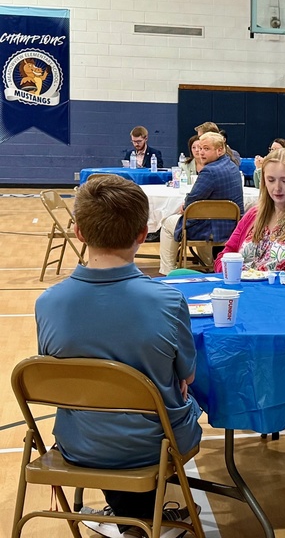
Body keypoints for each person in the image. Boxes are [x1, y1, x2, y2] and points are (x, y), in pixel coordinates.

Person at [36, 176, 202, 536]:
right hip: (153, 448)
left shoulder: (47, 304)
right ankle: (140, 522)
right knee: (189, 398)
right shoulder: (168, 301)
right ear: (143, 234)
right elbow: (187, 376)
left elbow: (55, 376)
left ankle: (131, 519)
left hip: (78, 444)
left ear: (79, 232)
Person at [159, 131, 244, 275]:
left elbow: (193, 199)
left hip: (210, 229)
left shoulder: (209, 171)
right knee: (199, 218)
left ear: (220, 150)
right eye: (200, 148)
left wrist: (185, 205)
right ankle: (208, 265)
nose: (201, 153)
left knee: (167, 223)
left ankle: (167, 271)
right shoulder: (233, 167)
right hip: (231, 227)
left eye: (206, 149)